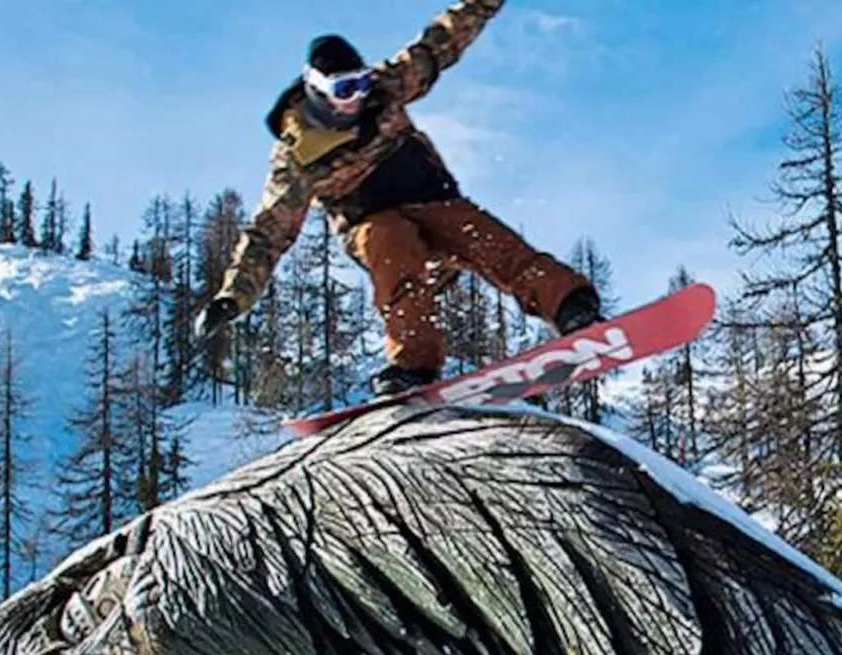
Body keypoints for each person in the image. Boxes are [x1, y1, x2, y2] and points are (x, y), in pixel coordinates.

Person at [194, 0, 602, 397]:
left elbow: (442, 42)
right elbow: (268, 235)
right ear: (316, 90)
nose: (356, 96)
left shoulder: (385, 88)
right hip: (373, 225)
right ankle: (414, 365)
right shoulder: (296, 156)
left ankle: (569, 306)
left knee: (490, 242)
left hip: (433, 203)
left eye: (360, 82)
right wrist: (233, 297)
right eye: (344, 88)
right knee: (389, 239)